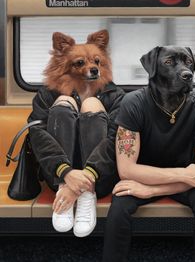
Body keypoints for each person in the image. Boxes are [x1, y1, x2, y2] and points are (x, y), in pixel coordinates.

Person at [102, 46, 195, 262]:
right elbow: (127, 170)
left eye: (188, 64)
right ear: (152, 68)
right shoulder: (133, 103)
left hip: (183, 183)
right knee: (119, 204)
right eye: (170, 63)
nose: (184, 70)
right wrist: (184, 175)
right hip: (146, 176)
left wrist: (150, 191)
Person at [28, 29, 124, 237]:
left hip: (100, 178)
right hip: (58, 173)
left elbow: (115, 137)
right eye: (80, 63)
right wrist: (65, 172)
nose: (92, 68)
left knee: (91, 103)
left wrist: (87, 177)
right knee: (63, 102)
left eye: (96, 62)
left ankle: (86, 193)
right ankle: (65, 187)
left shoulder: (115, 95)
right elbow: (37, 134)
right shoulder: (46, 95)